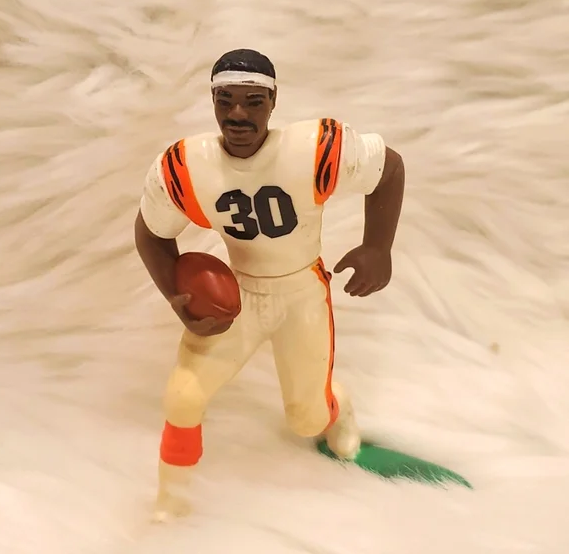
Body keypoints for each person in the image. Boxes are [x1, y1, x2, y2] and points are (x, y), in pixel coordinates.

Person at [134, 48, 405, 520]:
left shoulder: (313, 148)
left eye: (253, 101)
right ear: (212, 101)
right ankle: (171, 502)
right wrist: (176, 296)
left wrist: (378, 246)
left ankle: (338, 405)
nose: (238, 114)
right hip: (241, 294)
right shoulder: (186, 165)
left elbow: (389, 168)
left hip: (302, 292)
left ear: (273, 102)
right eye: (226, 100)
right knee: (183, 395)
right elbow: (151, 232)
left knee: (307, 419)